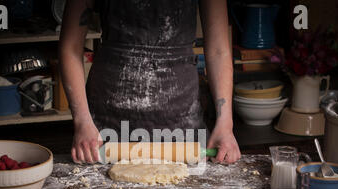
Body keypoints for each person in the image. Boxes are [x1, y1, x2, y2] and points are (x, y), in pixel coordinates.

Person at [59, 0, 241, 164]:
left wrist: (225, 124)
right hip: (108, 118)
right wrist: (83, 120)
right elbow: (71, 47)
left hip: (182, 115)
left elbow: (219, 51)